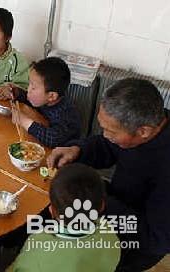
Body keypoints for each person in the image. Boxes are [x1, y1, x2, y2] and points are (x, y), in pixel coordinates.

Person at [47, 78, 170, 271]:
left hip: (135, 243)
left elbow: (157, 239)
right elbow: (108, 145)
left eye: (110, 130)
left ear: (143, 131)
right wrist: (77, 150)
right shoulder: (145, 123)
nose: (104, 135)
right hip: (109, 208)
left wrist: (95, 202)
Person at [7, 163, 120, 272]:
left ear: (51, 210)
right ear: (102, 206)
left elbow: (18, 268)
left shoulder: (39, 245)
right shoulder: (110, 234)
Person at [10, 57, 81, 147]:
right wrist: (16, 93)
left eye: (33, 87)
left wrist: (24, 121)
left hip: (62, 156)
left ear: (51, 96)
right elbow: (32, 101)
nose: (28, 90)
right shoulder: (45, 100)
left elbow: (53, 139)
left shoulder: (67, 114)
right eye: (29, 84)